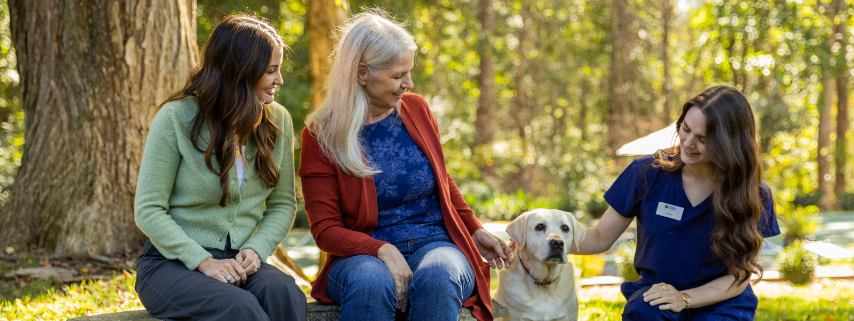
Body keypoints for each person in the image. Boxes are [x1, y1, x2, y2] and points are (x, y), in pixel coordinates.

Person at [299, 10, 513, 321]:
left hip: (436, 242)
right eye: (398, 76)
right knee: (371, 281)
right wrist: (383, 250)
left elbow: (442, 182)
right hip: (361, 257)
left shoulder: (417, 109)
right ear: (361, 73)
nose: (408, 83)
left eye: (408, 73)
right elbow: (325, 230)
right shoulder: (320, 135)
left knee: (439, 276)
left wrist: (475, 230)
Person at [134, 15, 306, 321]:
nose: (280, 80)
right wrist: (203, 261)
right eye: (271, 70)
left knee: (285, 293)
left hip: (239, 259)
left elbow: (282, 204)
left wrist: (256, 249)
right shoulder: (176, 118)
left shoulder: (278, 120)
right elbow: (148, 209)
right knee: (239, 309)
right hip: (170, 264)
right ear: (240, 71)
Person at [572, 85, 780, 320]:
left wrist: (684, 298)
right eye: (686, 129)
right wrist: (543, 241)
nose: (688, 143)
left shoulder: (753, 195)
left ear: (730, 143)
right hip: (659, 297)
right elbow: (600, 236)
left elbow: (738, 276)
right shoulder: (646, 174)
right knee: (643, 310)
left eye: (702, 139)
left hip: (720, 303)